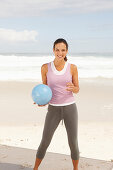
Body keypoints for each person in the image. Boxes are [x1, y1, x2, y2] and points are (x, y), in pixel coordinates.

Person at [33, 38, 80, 170]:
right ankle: (35, 168)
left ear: (67, 51)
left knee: (73, 143)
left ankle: (75, 169)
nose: (60, 52)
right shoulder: (45, 68)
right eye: (57, 50)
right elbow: (45, 89)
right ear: (53, 50)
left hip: (70, 107)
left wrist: (73, 88)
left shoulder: (72, 68)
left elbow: (77, 88)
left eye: (63, 50)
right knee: (45, 141)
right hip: (53, 108)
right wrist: (42, 101)